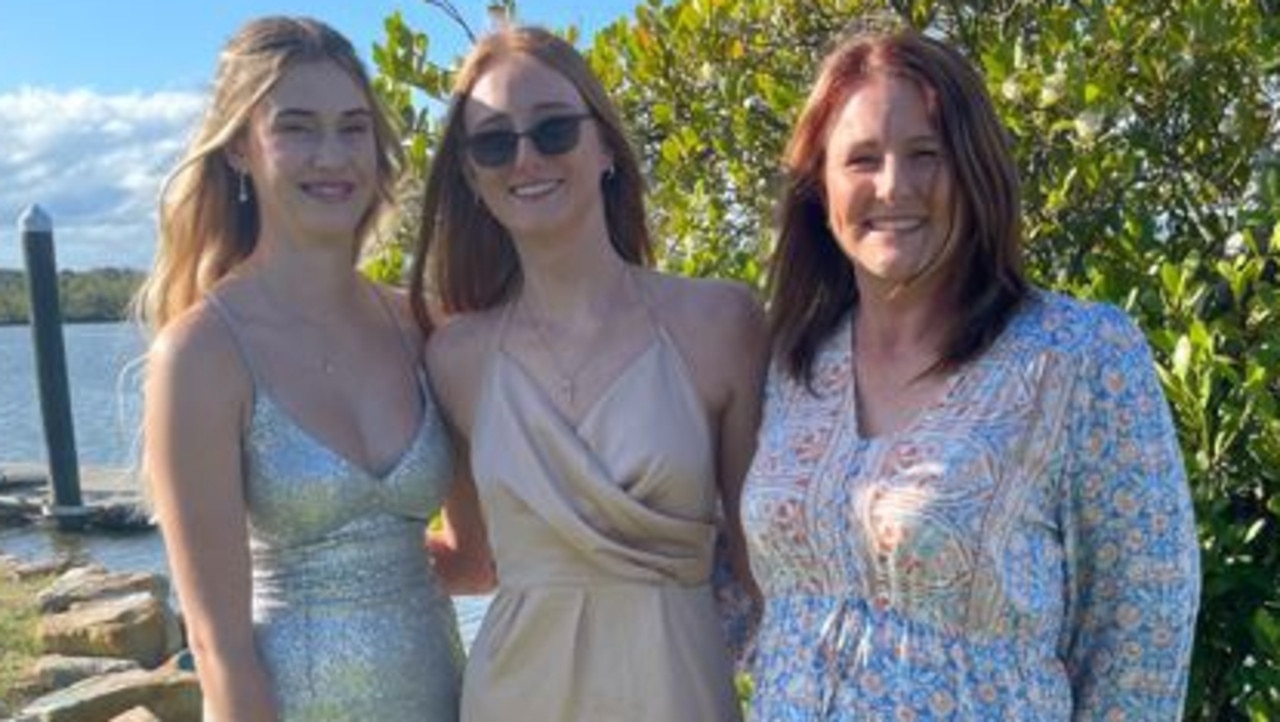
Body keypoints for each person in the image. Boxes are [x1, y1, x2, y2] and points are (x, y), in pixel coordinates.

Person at [740, 25, 1201, 720]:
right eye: (862, 159)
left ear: (974, 169)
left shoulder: (1078, 356)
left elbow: (1142, 634)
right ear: (820, 187)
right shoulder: (787, 365)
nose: (894, 185)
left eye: (927, 154)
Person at [408, 24, 767, 722]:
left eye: (552, 130)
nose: (525, 157)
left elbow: (769, 563)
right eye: (493, 141)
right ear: (474, 179)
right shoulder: (453, 358)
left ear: (604, 146)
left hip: (678, 693)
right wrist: (310, 568)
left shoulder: (721, 322)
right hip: (511, 696)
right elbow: (473, 561)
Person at [136, 16, 472, 721]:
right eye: (297, 127)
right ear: (238, 149)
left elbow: (479, 559)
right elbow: (217, 641)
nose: (333, 155)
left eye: (353, 128)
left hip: (447, 699)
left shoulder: (424, 326)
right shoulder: (201, 355)